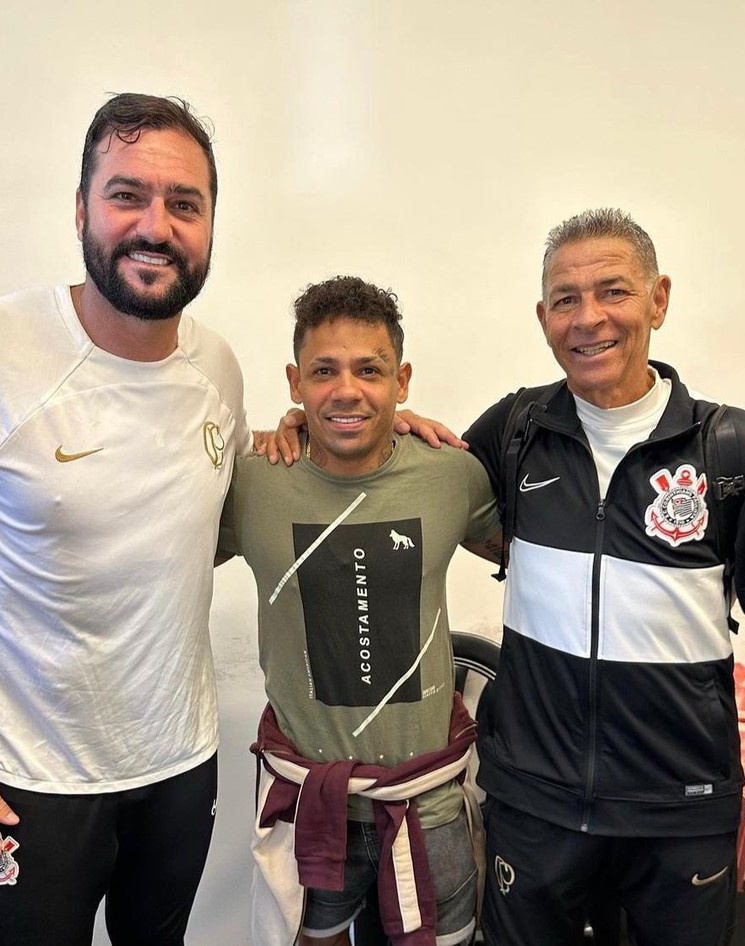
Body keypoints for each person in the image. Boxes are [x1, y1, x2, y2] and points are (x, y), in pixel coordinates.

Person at [0, 93, 251, 945]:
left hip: (179, 765)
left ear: (209, 226)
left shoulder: (219, 368)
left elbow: (209, 522)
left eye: (184, 203)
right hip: (25, 783)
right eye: (127, 195)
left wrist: (360, 428)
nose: (155, 226)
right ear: (81, 209)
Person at [459, 208, 745, 945]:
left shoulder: (732, 450)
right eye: (566, 299)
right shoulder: (515, 430)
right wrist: (311, 428)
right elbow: (417, 486)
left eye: (613, 291)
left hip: (678, 814)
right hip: (535, 807)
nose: (588, 318)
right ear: (543, 318)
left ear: (658, 300)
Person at [217, 276, 502, 946]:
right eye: (324, 371)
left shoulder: (450, 474)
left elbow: (529, 553)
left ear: (401, 380)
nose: (346, 390)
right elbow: (159, 561)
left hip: (430, 802)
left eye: (369, 370)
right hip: (312, 803)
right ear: (295, 383)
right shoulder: (252, 483)